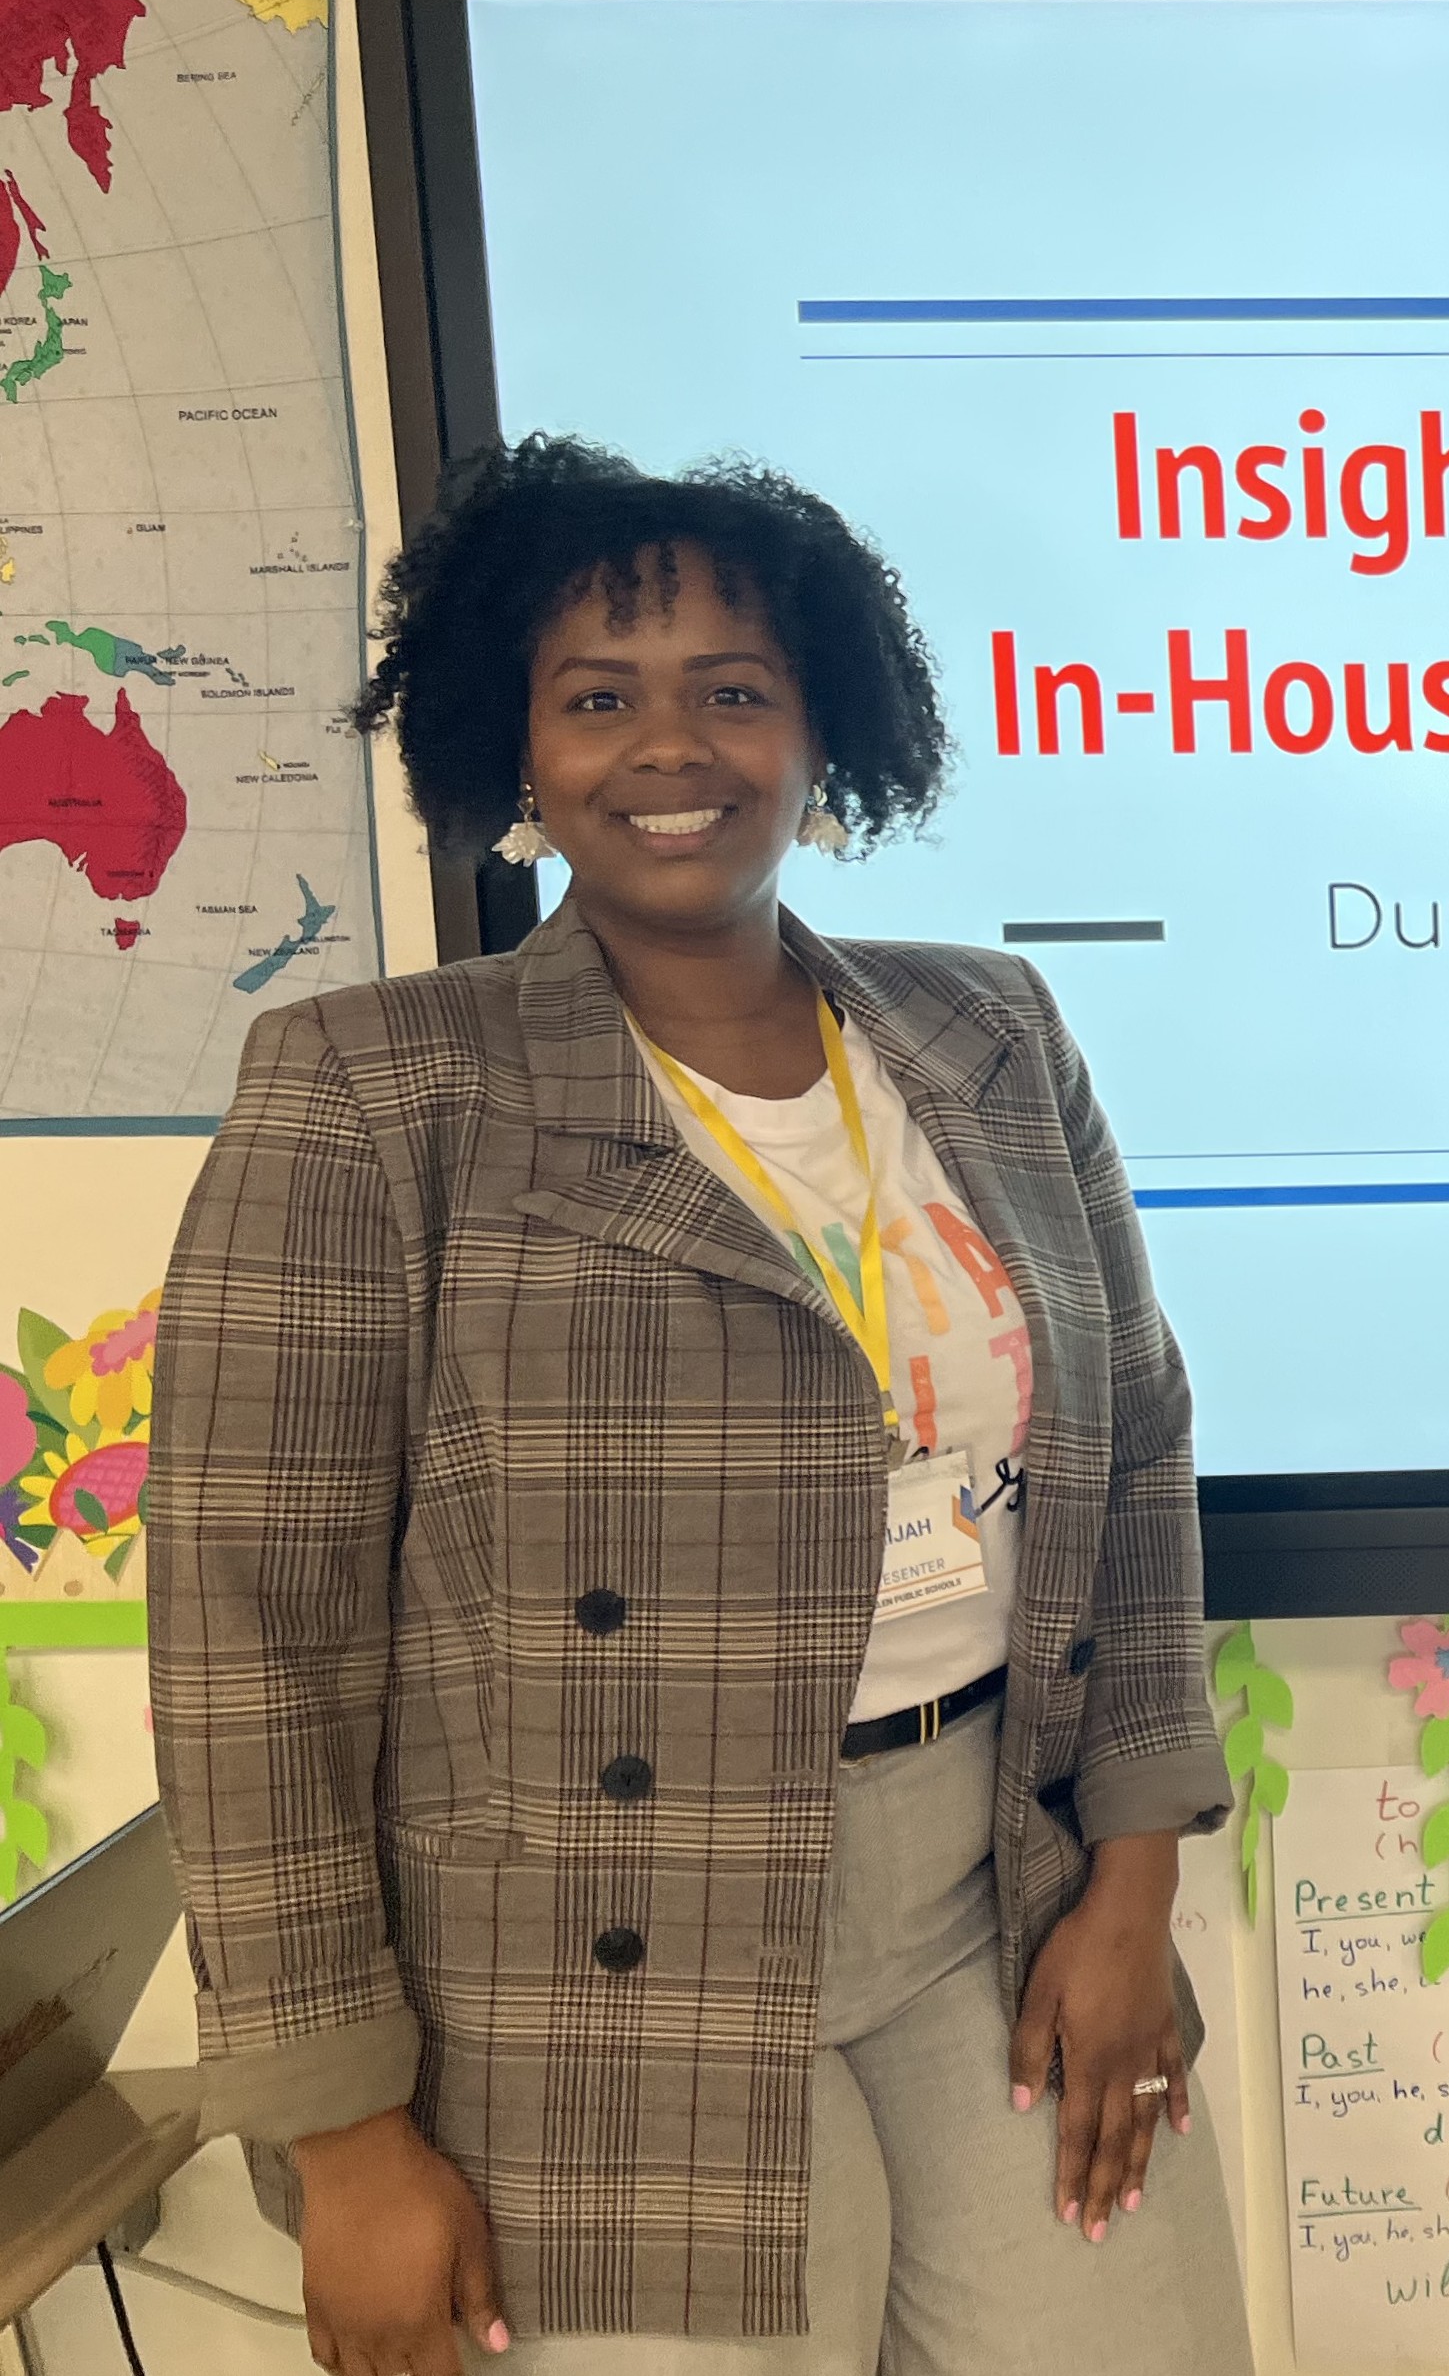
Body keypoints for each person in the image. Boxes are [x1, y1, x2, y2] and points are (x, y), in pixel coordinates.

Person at [147, 437, 1249, 2376]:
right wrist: (344, 2137)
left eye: (736, 689)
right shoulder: (374, 1092)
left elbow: (1134, 1458)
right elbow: (256, 1648)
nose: (676, 745)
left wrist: (1133, 1877)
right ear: (516, 740)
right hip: (583, 1972)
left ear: (828, 728)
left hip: (998, 1882)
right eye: (600, 696)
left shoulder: (989, 1034)